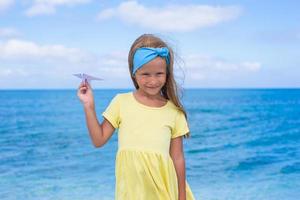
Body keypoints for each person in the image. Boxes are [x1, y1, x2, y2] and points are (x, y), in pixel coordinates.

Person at [77, 34, 195, 200]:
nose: (153, 80)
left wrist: (181, 197)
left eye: (159, 73)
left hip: (165, 193)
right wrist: (88, 105)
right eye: (146, 74)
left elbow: (178, 158)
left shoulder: (174, 112)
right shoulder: (121, 103)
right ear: (134, 73)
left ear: (167, 74)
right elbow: (98, 140)